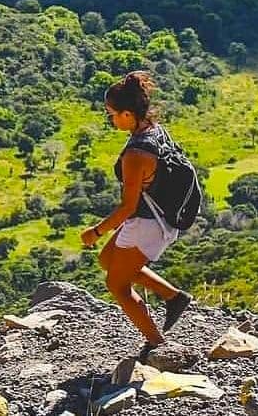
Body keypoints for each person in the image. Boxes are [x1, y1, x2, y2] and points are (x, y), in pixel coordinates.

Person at [81, 71, 193, 358]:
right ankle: (173, 296)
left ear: (128, 114)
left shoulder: (135, 155)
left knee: (116, 284)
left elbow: (127, 207)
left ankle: (156, 344)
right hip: (156, 214)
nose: (111, 120)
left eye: (112, 114)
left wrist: (95, 232)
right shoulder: (154, 130)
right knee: (107, 260)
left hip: (149, 222)